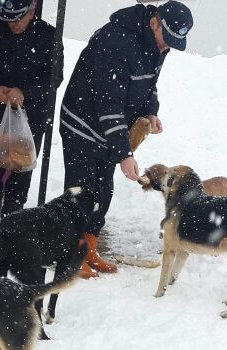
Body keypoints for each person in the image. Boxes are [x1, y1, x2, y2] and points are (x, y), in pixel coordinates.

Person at [59, 1, 193, 278]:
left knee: (102, 192)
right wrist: (124, 153)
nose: (167, 47)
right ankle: (72, 253)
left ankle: (90, 247)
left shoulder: (157, 45)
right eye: (166, 40)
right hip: (83, 123)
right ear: (154, 22)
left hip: (111, 128)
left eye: (173, 44)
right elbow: (108, 101)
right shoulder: (116, 41)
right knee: (81, 192)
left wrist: (150, 111)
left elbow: (147, 84)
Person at [0, 0, 62, 227]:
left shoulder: (48, 35)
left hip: (31, 113)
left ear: (31, 13)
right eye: (9, 19)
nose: (13, 24)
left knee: (22, 164)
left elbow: (54, 77)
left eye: (18, 19)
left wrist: (25, 92)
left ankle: (13, 216)